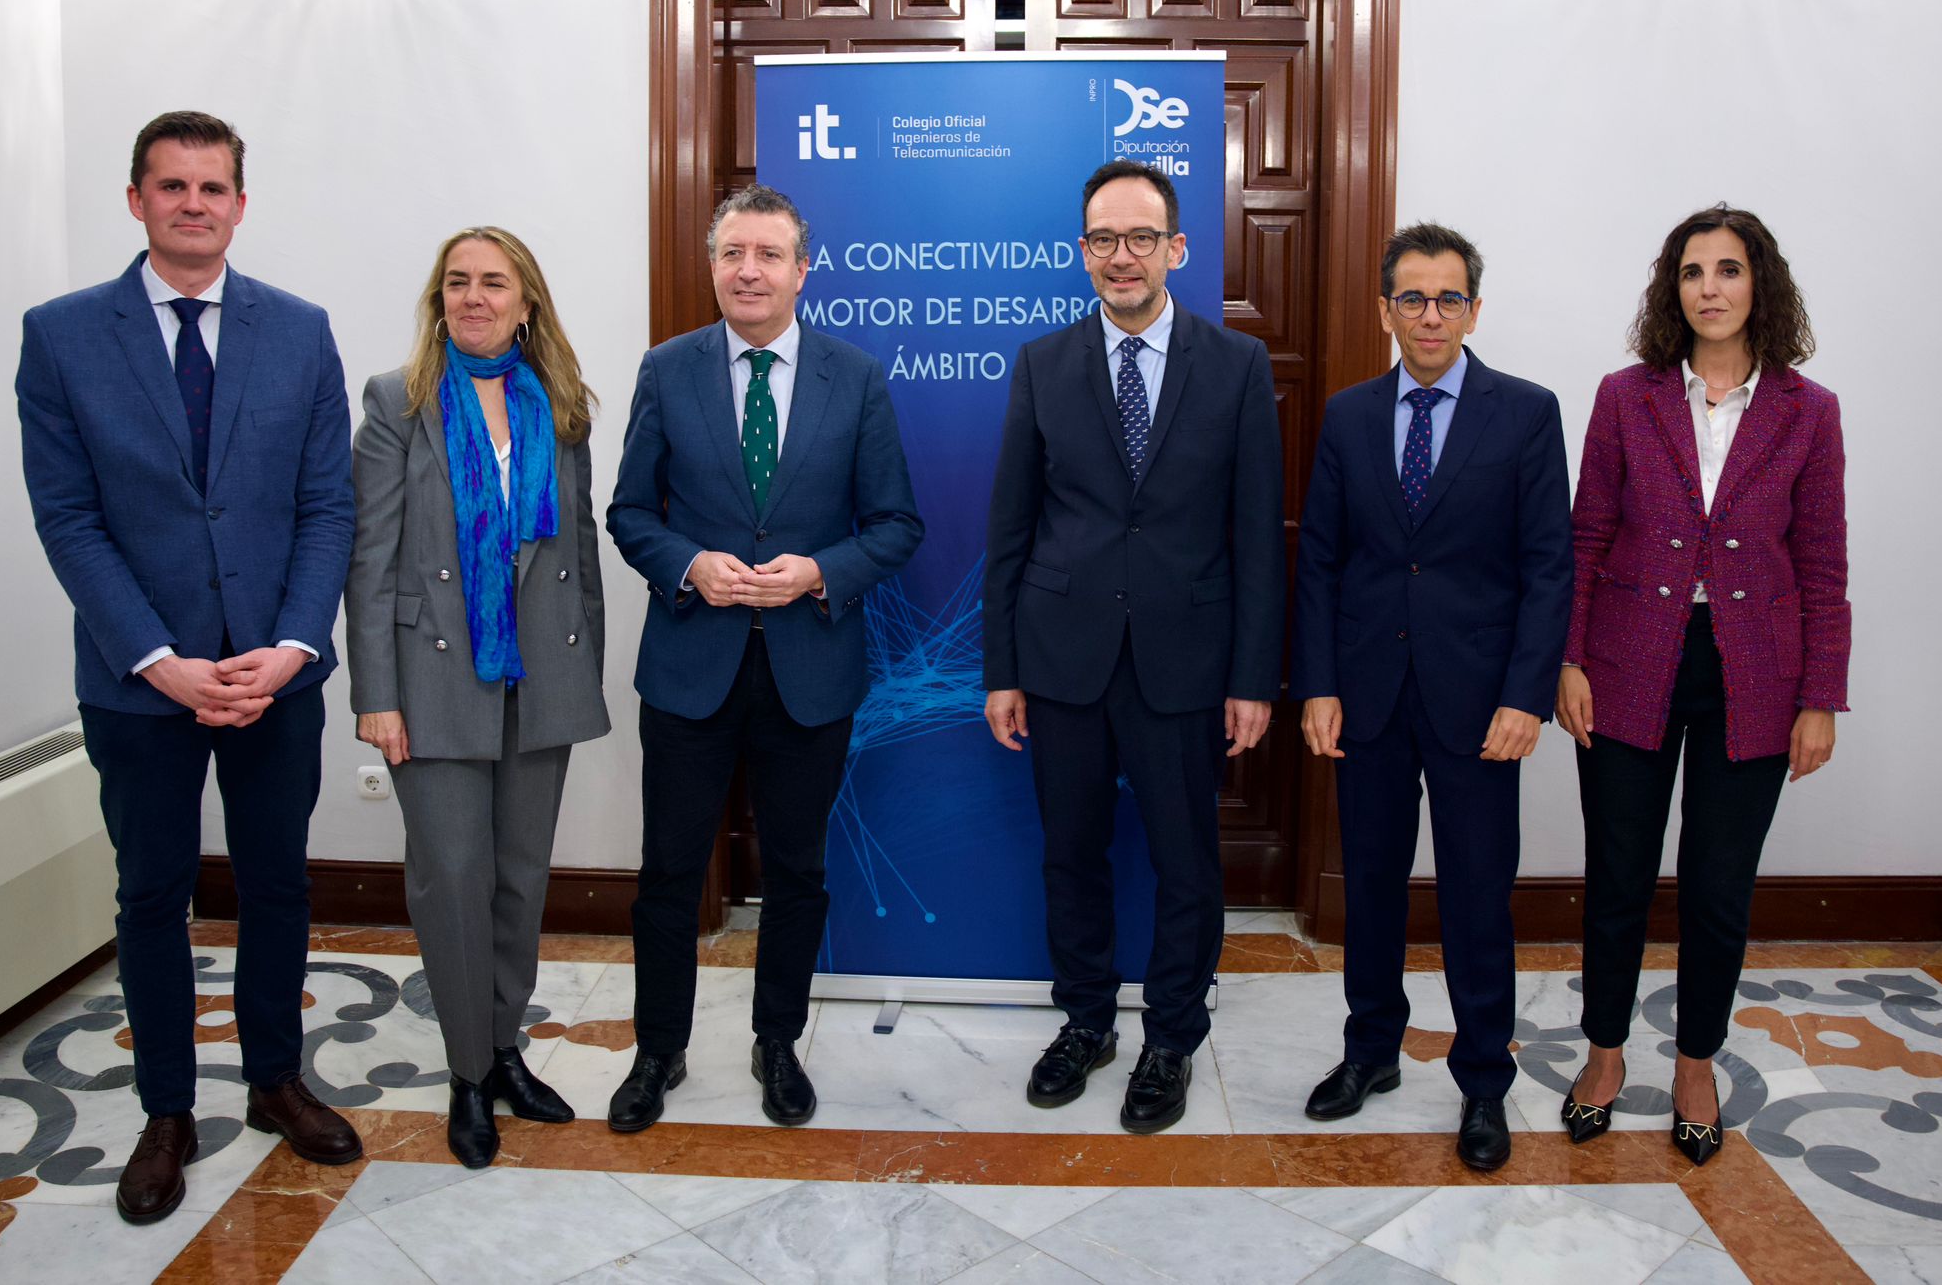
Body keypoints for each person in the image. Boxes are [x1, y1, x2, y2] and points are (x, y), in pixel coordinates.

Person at [15, 111, 360, 1224]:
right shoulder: (63, 336)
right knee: (152, 896)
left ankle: (274, 1081)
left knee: (275, 887)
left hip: (276, 676)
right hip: (137, 686)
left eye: (213, 187)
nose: (194, 204)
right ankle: (167, 1109)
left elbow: (325, 506)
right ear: (137, 200)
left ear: (240, 205)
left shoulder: (300, 332)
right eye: (172, 186)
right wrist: (160, 660)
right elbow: (69, 521)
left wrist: (297, 645)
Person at [604, 183, 922, 1132]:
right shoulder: (668, 370)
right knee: (668, 874)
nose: (749, 271)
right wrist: (688, 563)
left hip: (809, 669)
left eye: (769, 255)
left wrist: (819, 572)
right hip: (689, 669)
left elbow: (897, 523)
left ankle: (776, 1041)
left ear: (801, 270)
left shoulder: (853, 376)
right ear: (713, 267)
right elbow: (627, 513)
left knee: (797, 872)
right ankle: (657, 1050)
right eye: (733, 254)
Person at [982, 160, 1284, 1135]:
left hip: (1184, 662)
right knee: (1069, 854)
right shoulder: (1040, 362)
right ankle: (1084, 1022)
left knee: (1183, 859)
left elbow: (1254, 534)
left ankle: (1169, 1034)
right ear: (1082, 254)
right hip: (1060, 655)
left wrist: (1251, 676)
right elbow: (1010, 529)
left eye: (1140, 238)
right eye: (1103, 240)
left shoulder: (1234, 366)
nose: (1122, 256)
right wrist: (1002, 670)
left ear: (1175, 249)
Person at [1555, 204, 1846, 1166]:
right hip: (1630, 662)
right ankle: (1603, 1056)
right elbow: (1586, 535)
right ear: (1671, 291)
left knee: (1720, 885)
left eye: (1727, 270)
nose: (1709, 288)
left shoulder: (1809, 411)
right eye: (1691, 272)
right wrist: (1569, 660)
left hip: (1754, 675)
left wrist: (1818, 697)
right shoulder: (1625, 395)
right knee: (1619, 879)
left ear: (1760, 285)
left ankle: (1693, 1063)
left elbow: (1823, 563)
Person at [1292, 222, 1571, 1171]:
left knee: (1476, 901)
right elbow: (1321, 559)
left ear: (1475, 310)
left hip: (1480, 703)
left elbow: (1548, 567)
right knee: (1370, 888)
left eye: (1449, 297)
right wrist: (1318, 683)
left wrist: (1527, 695)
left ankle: (1484, 1081)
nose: (1431, 314)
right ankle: (1370, 1050)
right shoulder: (1350, 414)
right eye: (1412, 297)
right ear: (1386, 311)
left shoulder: (1526, 413)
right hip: (1367, 696)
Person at [345, 226, 610, 1168]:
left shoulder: (562, 405)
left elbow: (576, 551)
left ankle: (505, 1050)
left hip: (540, 677)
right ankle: (466, 1073)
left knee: (518, 878)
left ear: (525, 301)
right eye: (456, 283)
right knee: (450, 881)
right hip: (432, 680)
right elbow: (368, 560)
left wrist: (584, 672)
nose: (473, 297)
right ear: (439, 300)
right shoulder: (397, 402)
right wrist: (376, 693)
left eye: (493, 283)